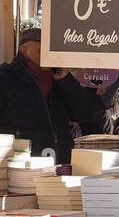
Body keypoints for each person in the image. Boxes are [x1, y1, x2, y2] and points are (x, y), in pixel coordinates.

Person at [0, 24, 106, 163]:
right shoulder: (5, 77)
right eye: (41, 51)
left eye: (50, 51)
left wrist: (66, 80)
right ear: (23, 50)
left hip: (59, 161)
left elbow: (84, 114)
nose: (47, 56)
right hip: (21, 164)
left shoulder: (59, 79)